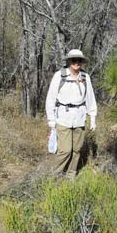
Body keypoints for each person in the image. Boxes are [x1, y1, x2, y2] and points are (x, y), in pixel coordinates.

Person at [45, 49, 97, 177]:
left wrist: (93, 117)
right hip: (63, 118)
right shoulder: (59, 76)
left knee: (77, 150)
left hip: (79, 118)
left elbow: (90, 98)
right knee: (65, 150)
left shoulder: (85, 77)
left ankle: (71, 175)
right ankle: (55, 175)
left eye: (79, 60)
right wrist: (51, 120)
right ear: (69, 61)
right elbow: (50, 98)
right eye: (74, 60)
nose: (76, 63)